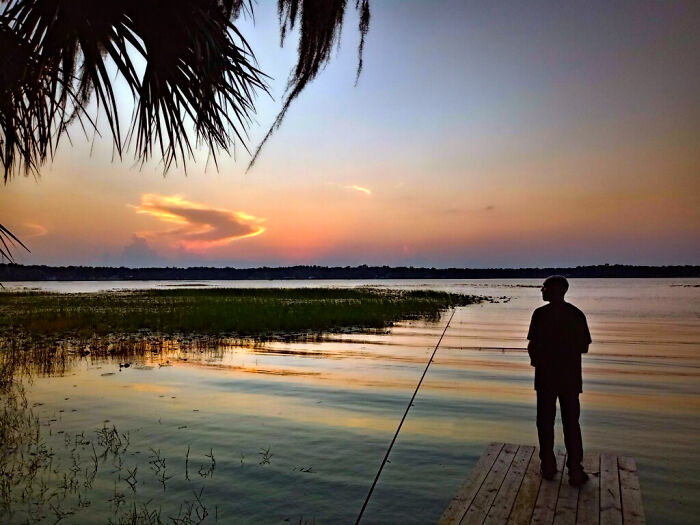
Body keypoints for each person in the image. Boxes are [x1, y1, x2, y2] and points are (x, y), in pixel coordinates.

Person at [527, 275, 591, 486]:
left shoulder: (540, 315)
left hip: (546, 379)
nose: (541, 291)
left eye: (544, 288)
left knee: (545, 422)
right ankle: (575, 470)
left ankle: (548, 466)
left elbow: (532, 347)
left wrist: (538, 360)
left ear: (555, 291)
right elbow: (584, 346)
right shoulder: (576, 314)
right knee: (571, 423)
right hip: (571, 379)